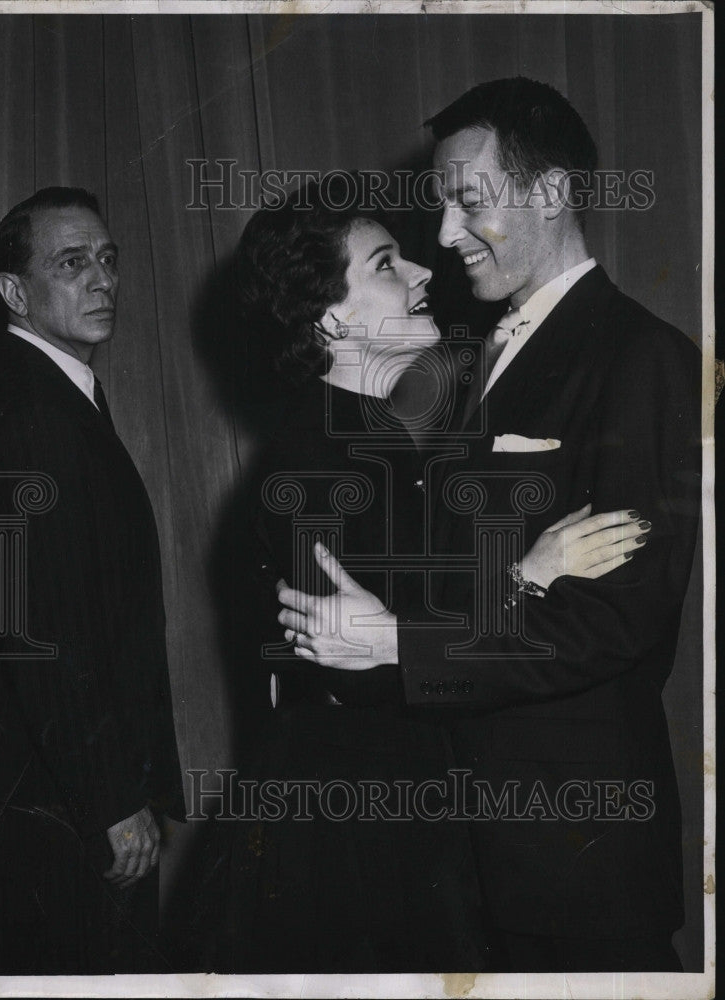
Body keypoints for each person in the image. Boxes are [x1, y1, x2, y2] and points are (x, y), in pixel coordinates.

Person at [278, 78, 701, 972]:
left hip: (572, 849)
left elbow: (615, 621)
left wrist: (401, 643)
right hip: (457, 851)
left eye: (469, 200)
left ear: (550, 194)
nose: (443, 234)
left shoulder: (644, 357)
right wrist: (519, 574)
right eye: (439, 205)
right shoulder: (455, 363)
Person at [217, 180, 648, 973]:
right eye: (385, 263)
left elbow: (405, 632)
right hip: (362, 835)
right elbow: (370, 677)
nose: (421, 273)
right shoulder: (311, 474)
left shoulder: (399, 438)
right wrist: (526, 573)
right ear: (332, 317)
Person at [0, 187, 185, 973]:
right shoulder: (33, 418)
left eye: (108, 261)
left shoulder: (42, 396)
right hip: (67, 815)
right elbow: (40, 636)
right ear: (16, 292)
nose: (102, 279)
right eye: (72, 263)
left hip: (52, 804)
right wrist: (109, 800)